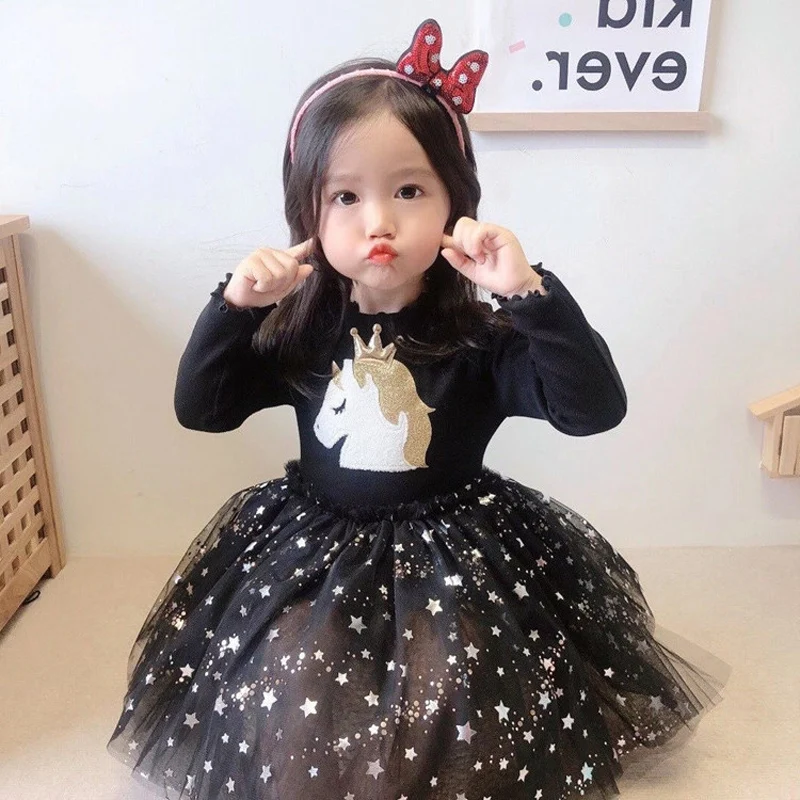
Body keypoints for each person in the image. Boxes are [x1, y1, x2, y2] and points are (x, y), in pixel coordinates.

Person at [107, 18, 728, 800]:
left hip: (453, 551)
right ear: (308, 217)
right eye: (345, 196)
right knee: (292, 672)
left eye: (408, 190)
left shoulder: (483, 339)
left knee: (460, 683)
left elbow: (592, 409)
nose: (379, 221)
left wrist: (529, 292)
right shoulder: (299, 333)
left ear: (454, 204)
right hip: (316, 548)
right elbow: (203, 409)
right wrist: (233, 308)